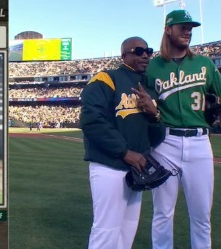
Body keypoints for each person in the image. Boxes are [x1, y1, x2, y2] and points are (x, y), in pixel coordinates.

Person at [145, 10, 221, 249]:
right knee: (162, 214)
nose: (188, 31)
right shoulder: (152, 67)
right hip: (164, 144)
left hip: (199, 144)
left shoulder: (204, 64)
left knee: (201, 216)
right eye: (182, 26)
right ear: (168, 29)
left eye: (191, 27)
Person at [80, 37, 165, 249]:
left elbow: (156, 138)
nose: (144, 55)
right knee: (106, 231)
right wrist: (124, 151)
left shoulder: (150, 88)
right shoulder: (107, 78)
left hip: (136, 170)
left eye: (148, 51)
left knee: (127, 231)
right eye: (138, 51)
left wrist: (154, 114)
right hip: (109, 166)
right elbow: (91, 120)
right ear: (124, 55)